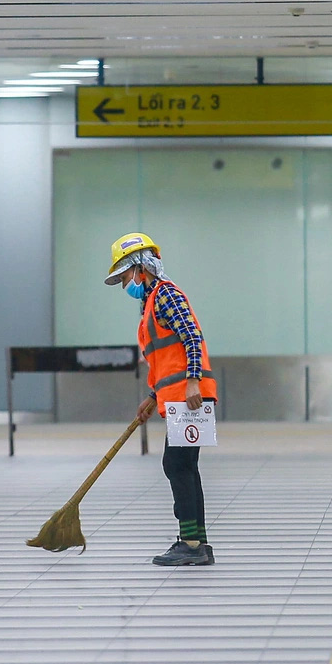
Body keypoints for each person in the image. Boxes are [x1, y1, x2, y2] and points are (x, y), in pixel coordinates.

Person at [105, 232, 216, 566]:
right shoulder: (151, 302)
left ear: (141, 267)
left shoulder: (166, 295)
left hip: (190, 397)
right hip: (179, 399)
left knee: (177, 465)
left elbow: (192, 338)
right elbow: (166, 358)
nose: (126, 285)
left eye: (125, 277)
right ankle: (198, 542)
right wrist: (152, 397)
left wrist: (193, 382)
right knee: (183, 466)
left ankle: (192, 544)